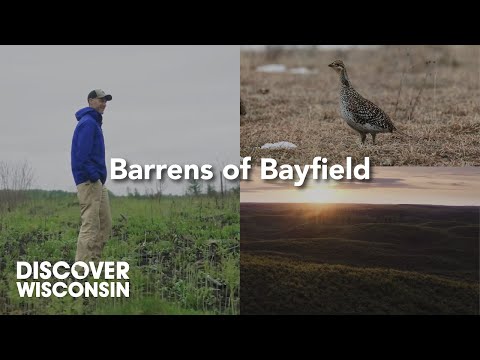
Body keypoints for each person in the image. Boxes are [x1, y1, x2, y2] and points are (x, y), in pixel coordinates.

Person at [71, 89, 113, 263]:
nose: (103, 103)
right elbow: (82, 155)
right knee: (90, 224)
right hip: (89, 181)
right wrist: (94, 175)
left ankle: (94, 263)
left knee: (105, 224)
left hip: (97, 182)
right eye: (100, 100)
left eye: (105, 101)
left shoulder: (94, 123)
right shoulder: (88, 123)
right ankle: (81, 271)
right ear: (90, 101)